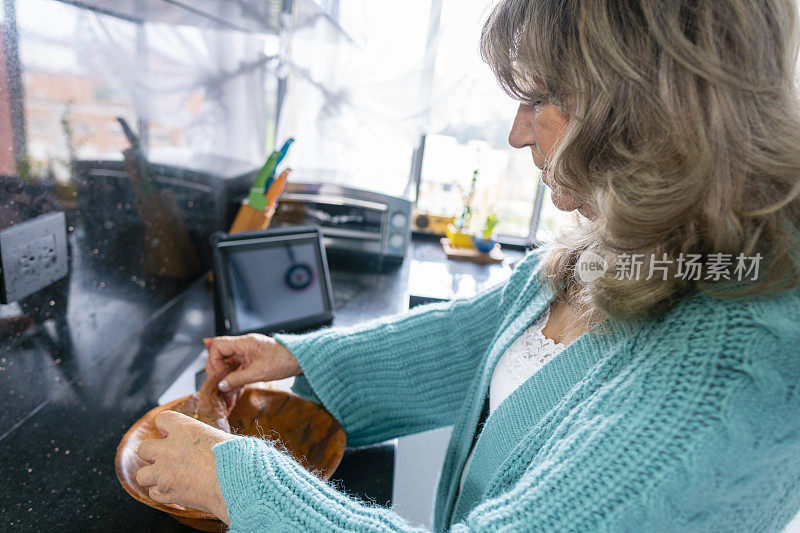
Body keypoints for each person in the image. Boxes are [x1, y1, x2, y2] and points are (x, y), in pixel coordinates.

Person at [135, 0, 800, 530]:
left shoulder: (733, 373)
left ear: (645, 108)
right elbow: (479, 335)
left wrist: (244, 484)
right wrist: (294, 355)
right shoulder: (626, 243)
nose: (517, 131)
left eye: (539, 98)